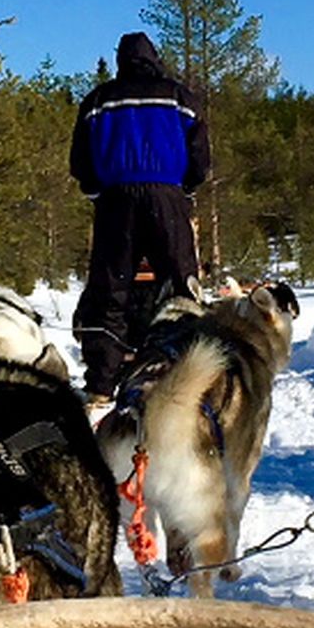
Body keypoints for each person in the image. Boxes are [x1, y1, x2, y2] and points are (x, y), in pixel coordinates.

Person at [70, 32, 210, 406]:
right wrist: (186, 189)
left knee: (110, 291)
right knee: (181, 285)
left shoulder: (97, 100)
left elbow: (80, 161)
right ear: (154, 59)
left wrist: (97, 192)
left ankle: (101, 383)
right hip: (167, 197)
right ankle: (189, 369)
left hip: (116, 202)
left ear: (120, 61)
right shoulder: (179, 97)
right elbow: (199, 155)